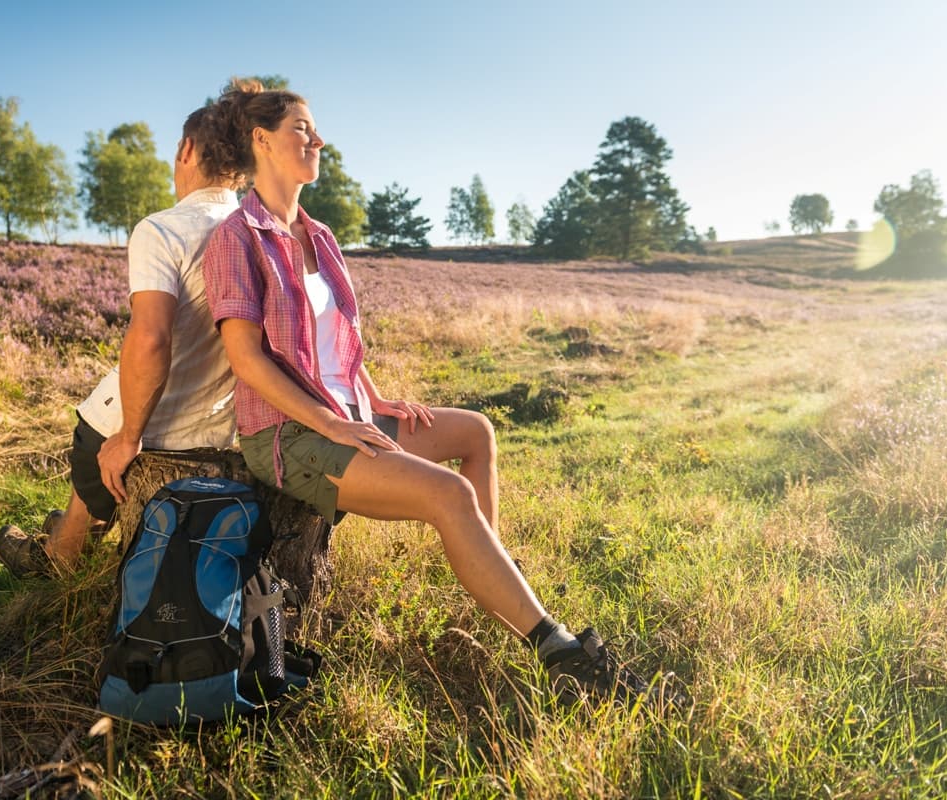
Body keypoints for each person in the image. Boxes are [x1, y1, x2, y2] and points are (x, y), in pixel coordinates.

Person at [203, 79, 686, 708]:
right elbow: (247, 360)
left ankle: (496, 574)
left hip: (348, 414)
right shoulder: (236, 237)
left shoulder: (318, 236)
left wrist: (373, 399)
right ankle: (559, 653)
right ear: (261, 139)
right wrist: (333, 424)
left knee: (476, 433)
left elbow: (335, 340)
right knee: (451, 494)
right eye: (302, 129)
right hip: (289, 435)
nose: (318, 140)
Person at [0, 99, 244, 578]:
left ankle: (60, 557)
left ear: (188, 150)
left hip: (158, 428)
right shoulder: (257, 232)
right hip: (214, 429)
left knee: (99, 424)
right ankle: (68, 533)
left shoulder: (165, 229)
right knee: (106, 417)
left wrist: (130, 436)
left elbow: (150, 339)